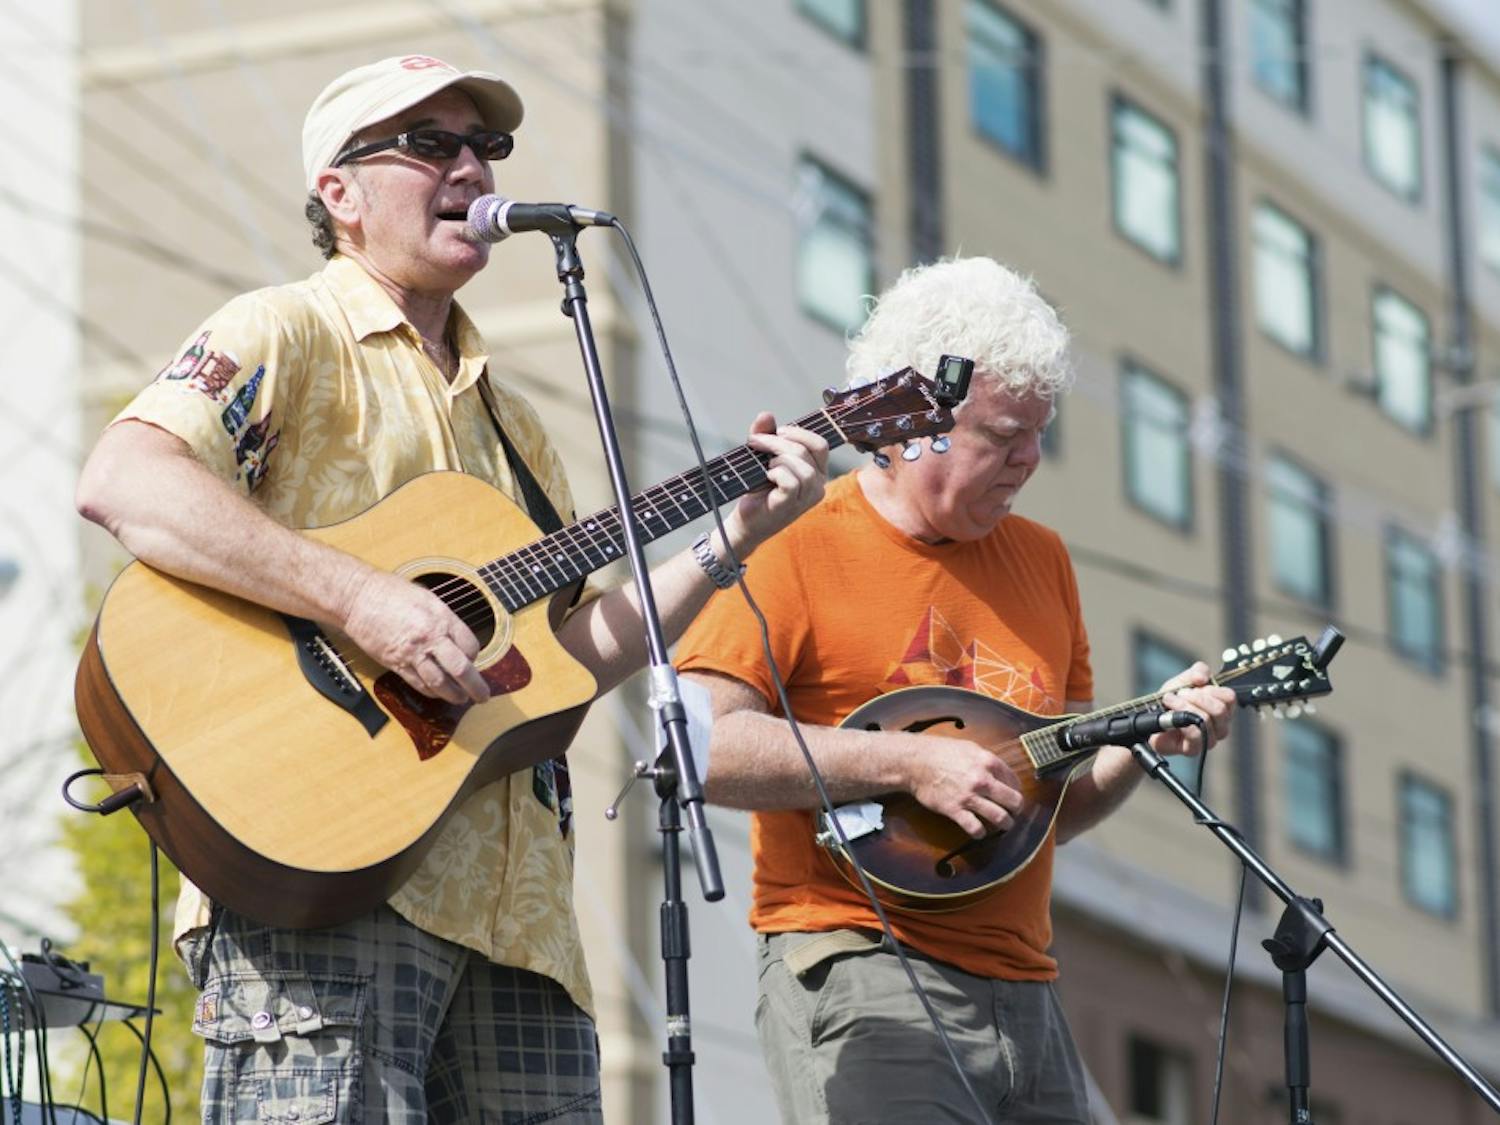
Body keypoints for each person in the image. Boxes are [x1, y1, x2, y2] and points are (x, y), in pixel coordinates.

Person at [74, 54, 828, 1123]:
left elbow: (572, 660)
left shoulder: (517, 430)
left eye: (488, 147)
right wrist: (360, 598)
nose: (473, 167)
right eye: (432, 143)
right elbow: (126, 480)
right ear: (338, 192)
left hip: (521, 927)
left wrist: (733, 540)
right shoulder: (283, 333)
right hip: (325, 863)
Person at [675, 256, 1235, 1124]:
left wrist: (1137, 743)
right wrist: (908, 762)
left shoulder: (1044, 560)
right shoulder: (797, 539)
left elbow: (1045, 811)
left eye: (1039, 434)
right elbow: (705, 744)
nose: (1029, 460)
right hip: (861, 964)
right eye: (1003, 436)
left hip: (1032, 991)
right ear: (907, 424)